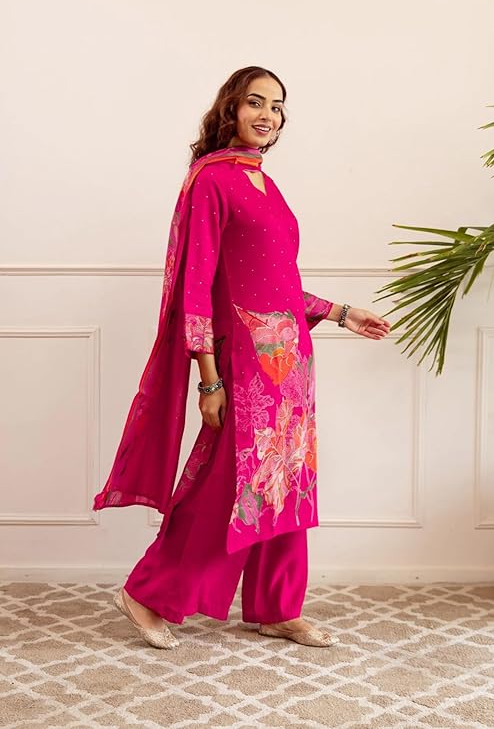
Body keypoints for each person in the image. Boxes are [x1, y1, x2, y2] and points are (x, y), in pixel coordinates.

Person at [93, 66, 391, 649]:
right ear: (230, 108)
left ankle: (277, 607)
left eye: (277, 107)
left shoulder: (266, 184)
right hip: (244, 366)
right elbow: (196, 289)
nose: (268, 115)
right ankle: (146, 593)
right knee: (223, 488)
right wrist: (209, 381)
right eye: (256, 102)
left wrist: (341, 312)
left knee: (288, 484)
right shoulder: (211, 180)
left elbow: (276, 287)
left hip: (290, 363)